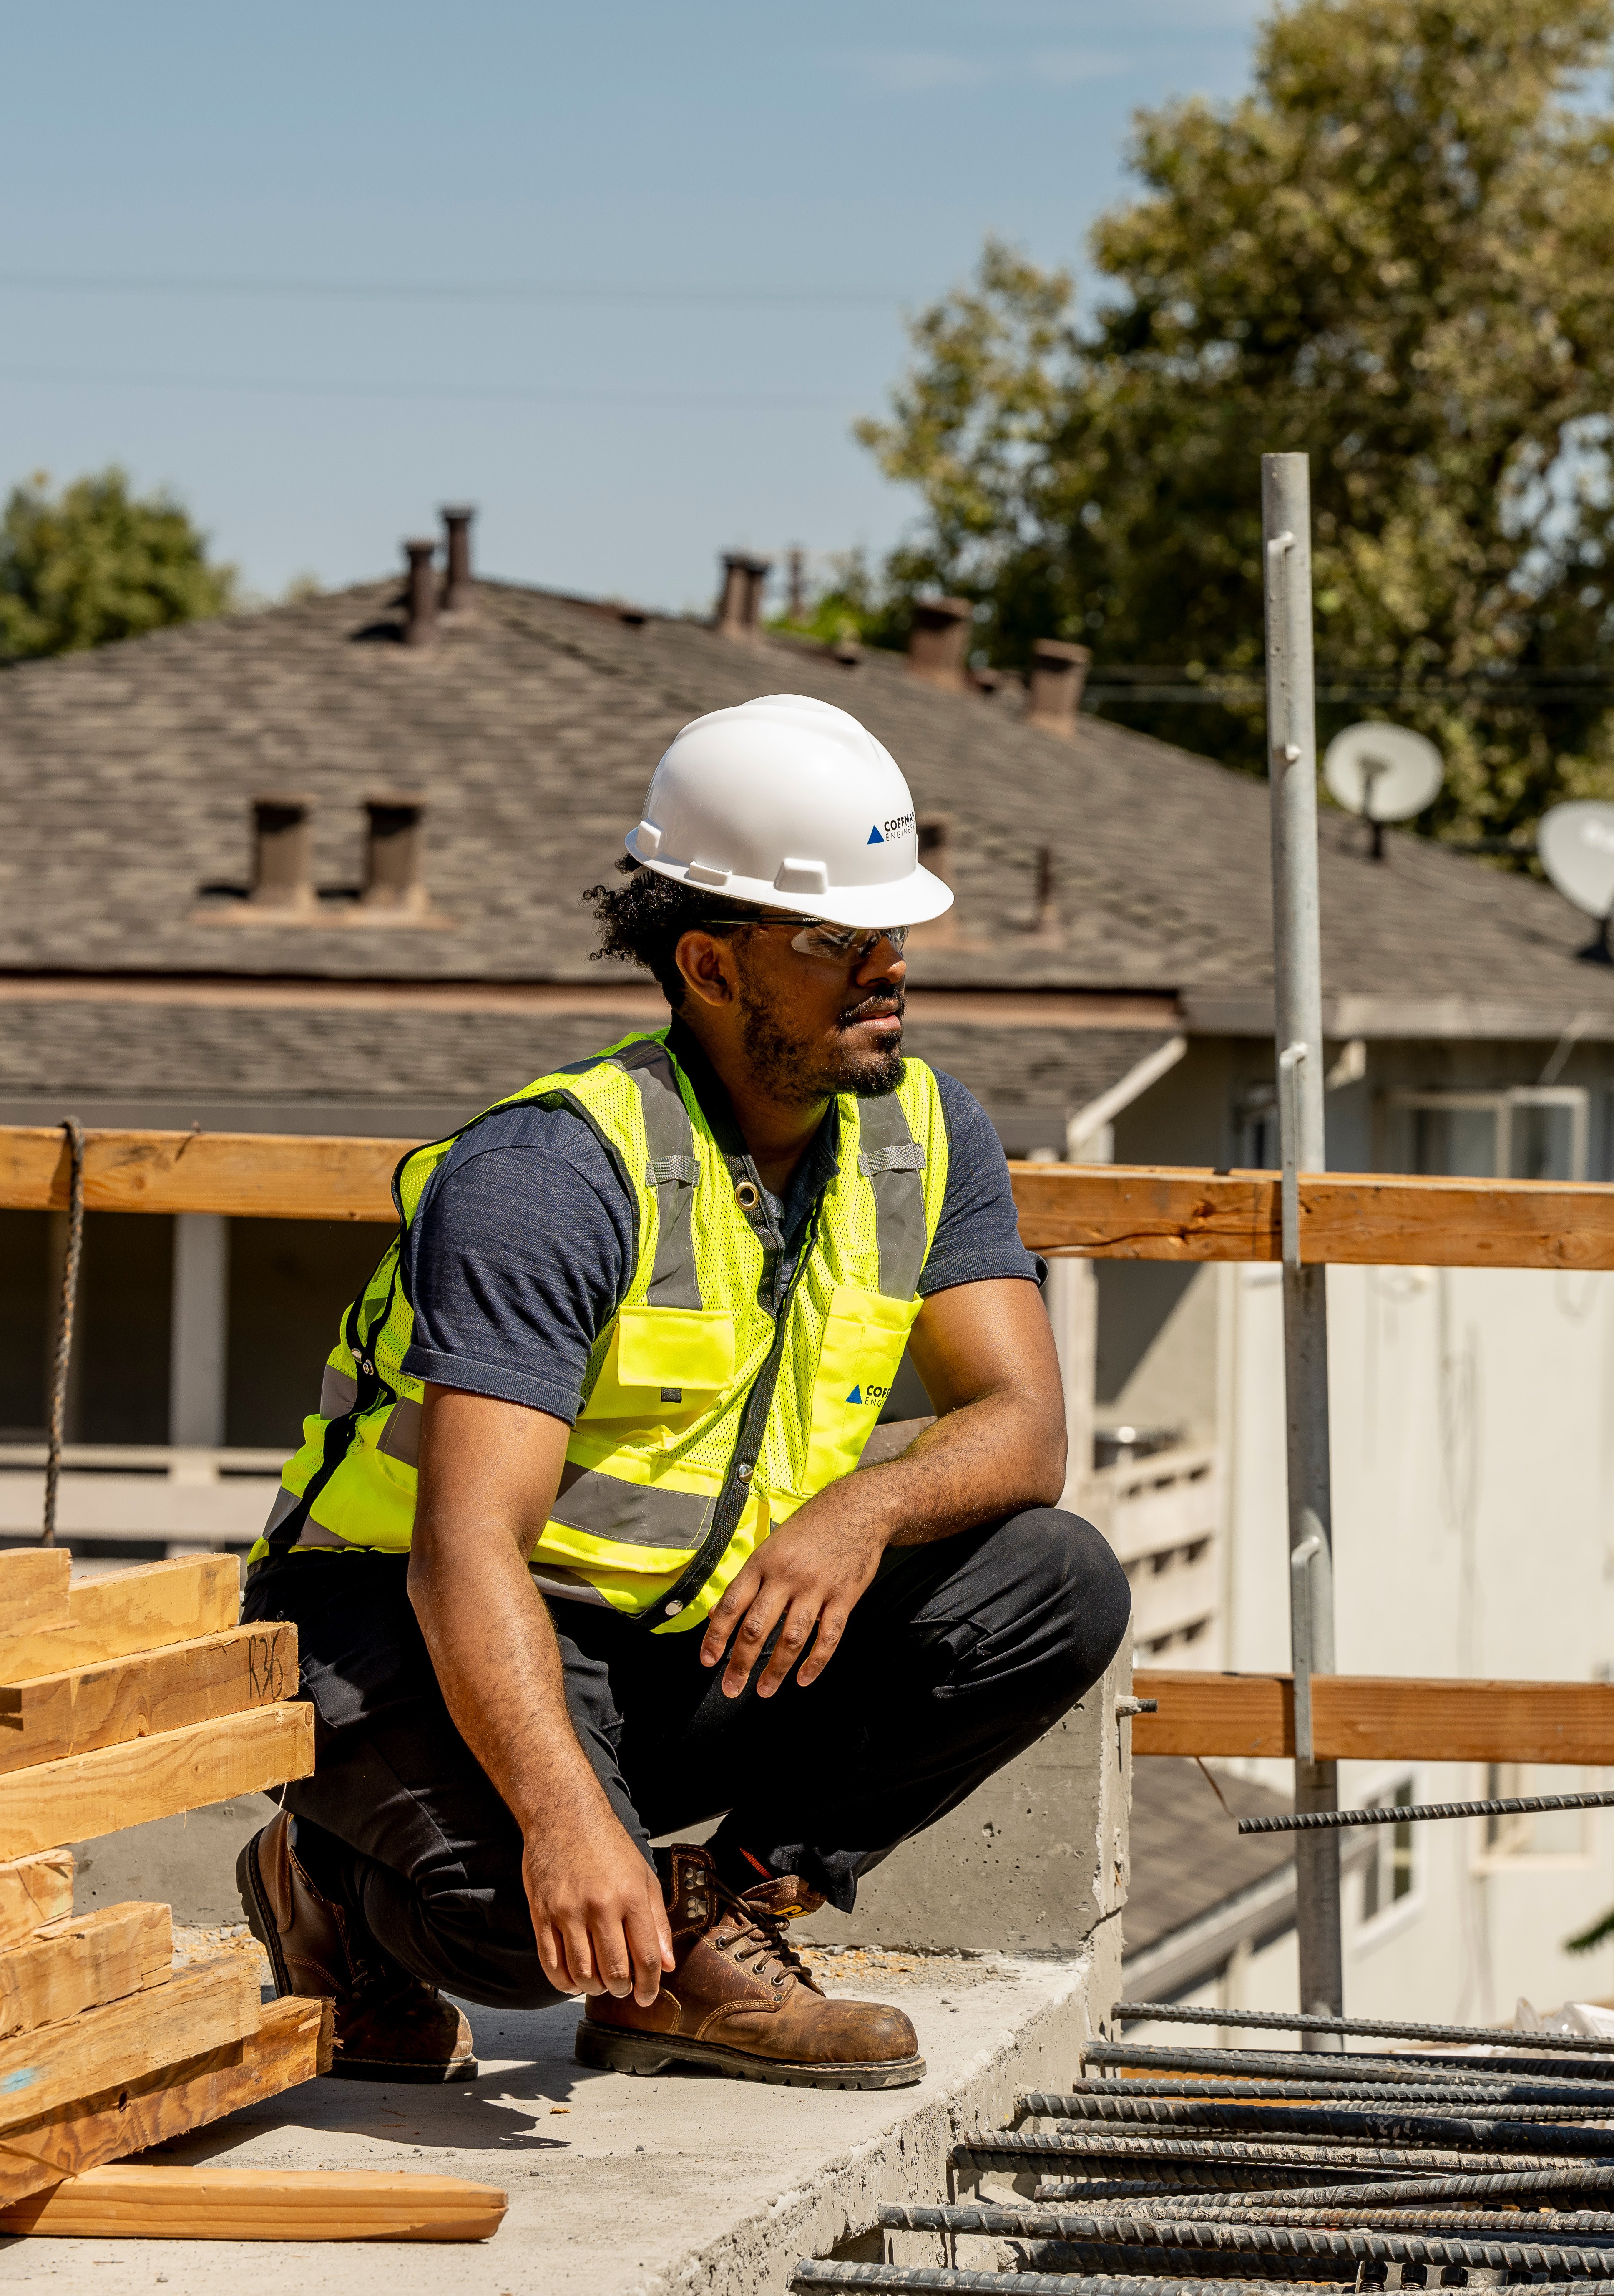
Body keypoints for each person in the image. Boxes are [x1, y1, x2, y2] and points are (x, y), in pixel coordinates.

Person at [233, 694, 1129, 2087]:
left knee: (1052, 1581)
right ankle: (327, 1880)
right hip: (403, 1622)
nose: (890, 969)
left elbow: (1025, 1431)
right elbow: (463, 1552)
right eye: (841, 942)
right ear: (711, 964)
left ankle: (713, 1915)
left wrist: (864, 1514)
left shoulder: (924, 1134)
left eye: (898, 935)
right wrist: (567, 1822)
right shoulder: (550, 1174)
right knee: (537, 1934)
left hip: (669, 1630)